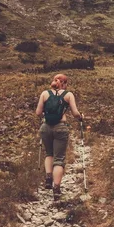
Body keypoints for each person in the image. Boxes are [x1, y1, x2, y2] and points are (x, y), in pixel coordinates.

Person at [35, 73, 83, 202]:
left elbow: (38, 112)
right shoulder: (68, 95)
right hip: (61, 127)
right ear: (65, 83)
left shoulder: (44, 94)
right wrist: (81, 117)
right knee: (59, 158)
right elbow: (75, 113)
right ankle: (56, 189)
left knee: (49, 154)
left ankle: (48, 178)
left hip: (45, 127)